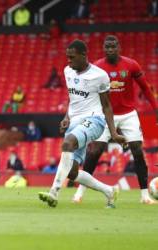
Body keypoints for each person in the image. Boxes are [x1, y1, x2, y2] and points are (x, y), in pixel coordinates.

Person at [38, 39, 125, 208]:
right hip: (75, 122)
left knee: (68, 143)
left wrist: (113, 132)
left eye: (72, 57)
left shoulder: (99, 75)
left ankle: (54, 192)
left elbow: (107, 105)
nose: (68, 61)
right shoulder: (68, 71)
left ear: (84, 55)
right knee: (72, 172)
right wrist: (66, 117)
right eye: (67, 57)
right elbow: (73, 98)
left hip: (94, 120)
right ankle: (110, 191)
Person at [73, 35, 158, 204]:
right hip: (104, 116)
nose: (110, 49)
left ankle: (144, 196)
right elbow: (86, 92)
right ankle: (79, 193)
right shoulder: (97, 67)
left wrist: (156, 110)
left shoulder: (131, 65)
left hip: (128, 114)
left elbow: (146, 89)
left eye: (113, 46)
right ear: (104, 48)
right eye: (107, 47)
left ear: (119, 48)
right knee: (95, 151)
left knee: (137, 150)